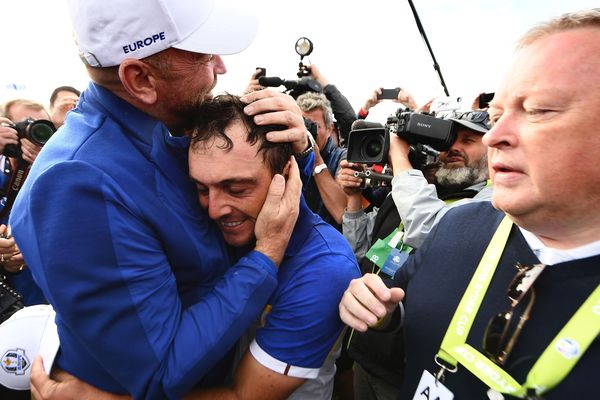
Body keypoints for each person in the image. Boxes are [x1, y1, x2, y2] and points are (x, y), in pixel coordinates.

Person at [8, 0, 315, 398]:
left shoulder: (156, 129)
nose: (220, 67)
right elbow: (161, 370)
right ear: (140, 80)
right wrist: (267, 254)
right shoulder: (78, 184)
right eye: (203, 54)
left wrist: (297, 150)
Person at [23, 94, 361, 400]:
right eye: (201, 188)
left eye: (236, 188)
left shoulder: (324, 270)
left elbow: (243, 396)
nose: (214, 209)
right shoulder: (235, 223)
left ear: (286, 175)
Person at [339, 8, 600, 399]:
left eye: (539, 111)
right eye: (496, 117)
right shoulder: (458, 225)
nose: (496, 137)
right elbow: (408, 310)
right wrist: (383, 316)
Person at [338, 110, 491, 400]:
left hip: (409, 371)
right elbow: (363, 254)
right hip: (365, 350)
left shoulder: (486, 206)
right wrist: (354, 199)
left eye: (468, 140)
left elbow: (433, 229)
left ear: (492, 150)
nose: (453, 148)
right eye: (448, 140)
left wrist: (399, 158)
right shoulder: (414, 190)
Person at [296, 91, 347, 229]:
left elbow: (342, 213)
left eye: (314, 126)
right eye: (302, 125)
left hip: (329, 240)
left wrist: (316, 160)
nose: (307, 131)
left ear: (330, 129)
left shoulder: (342, 158)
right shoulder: (289, 155)